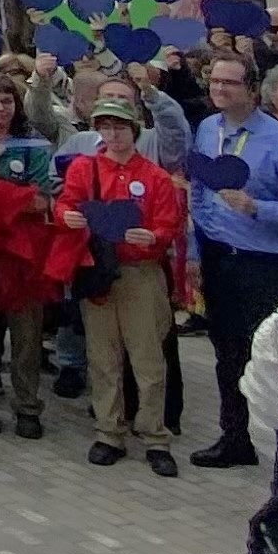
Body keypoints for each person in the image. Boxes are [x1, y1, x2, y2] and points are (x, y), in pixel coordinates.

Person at [185, 55, 278, 468]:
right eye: (215, 81)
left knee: (269, 357)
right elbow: (200, 188)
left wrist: (258, 208)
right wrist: (196, 248)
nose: (220, 89)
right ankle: (235, 438)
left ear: (252, 90)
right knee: (226, 353)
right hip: (219, 257)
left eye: (230, 82)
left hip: (265, 264)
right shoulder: (209, 128)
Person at [55, 96, 187, 473]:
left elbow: (169, 223)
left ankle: (154, 433)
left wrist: (154, 237)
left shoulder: (154, 176)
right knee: (103, 355)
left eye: (120, 127)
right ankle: (109, 430)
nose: (113, 135)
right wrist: (69, 218)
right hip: (98, 268)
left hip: (140, 272)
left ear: (134, 130)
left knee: (147, 358)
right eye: (106, 127)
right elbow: (66, 204)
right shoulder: (85, 168)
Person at [0, 75, 63, 441]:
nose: (0, 108)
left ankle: (27, 405)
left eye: (7, 101)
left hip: (23, 256)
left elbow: (40, 201)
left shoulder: (34, 144)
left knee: (27, 336)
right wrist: (10, 197)